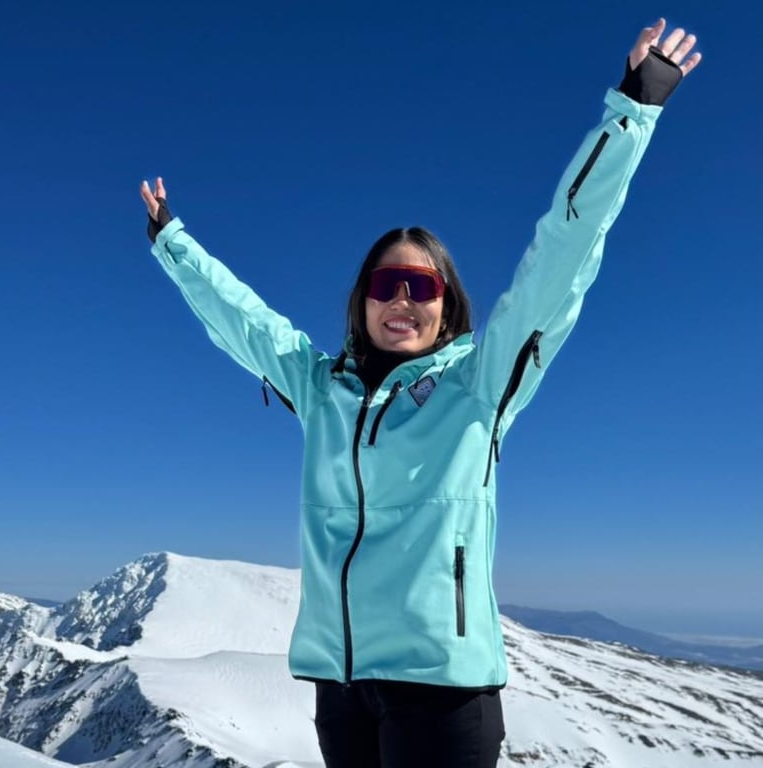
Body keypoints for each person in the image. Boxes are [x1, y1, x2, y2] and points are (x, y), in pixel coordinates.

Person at [140, 18, 700, 768]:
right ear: (362, 299)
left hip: (444, 695)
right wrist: (173, 243)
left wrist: (633, 110)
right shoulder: (321, 387)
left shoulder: (480, 382)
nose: (401, 299)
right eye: (385, 283)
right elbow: (245, 320)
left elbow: (563, 252)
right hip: (341, 690)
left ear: (448, 303)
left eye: (421, 284)